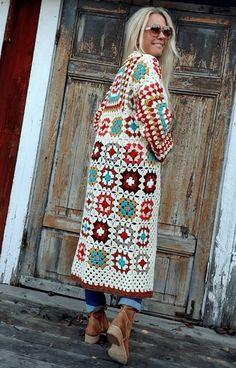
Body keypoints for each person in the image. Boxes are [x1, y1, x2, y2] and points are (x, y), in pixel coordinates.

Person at [71, 6, 179, 365]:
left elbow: (103, 120)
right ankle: (123, 321)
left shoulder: (124, 70)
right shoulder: (147, 67)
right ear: (140, 31)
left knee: (99, 239)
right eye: (155, 29)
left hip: (105, 176)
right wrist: (163, 150)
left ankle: (94, 319)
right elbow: (157, 123)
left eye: (167, 32)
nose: (161, 36)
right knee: (137, 246)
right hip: (134, 179)